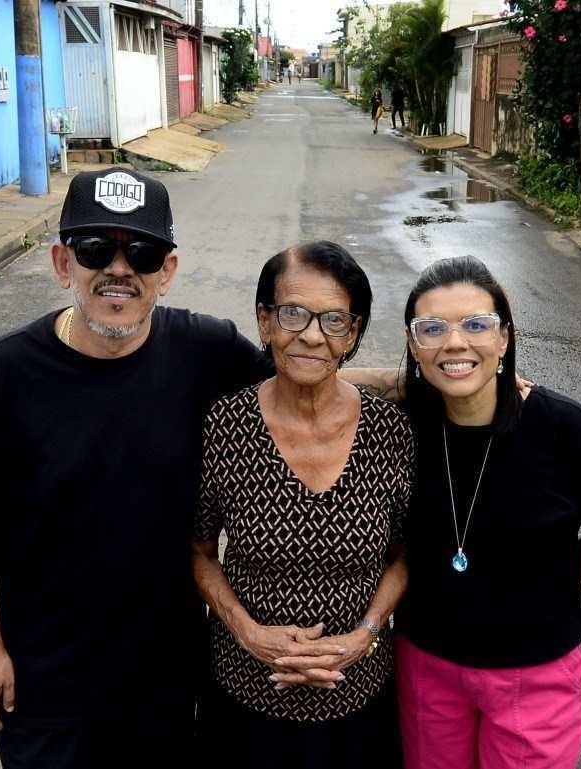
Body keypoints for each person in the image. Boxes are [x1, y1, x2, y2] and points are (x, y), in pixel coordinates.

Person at [0, 168, 397, 768]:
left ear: (167, 271)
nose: (120, 270)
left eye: (143, 253)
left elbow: (306, 370)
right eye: (96, 249)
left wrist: (440, 381)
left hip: (167, 679)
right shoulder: (4, 375)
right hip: (47, 682)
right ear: (62, 262)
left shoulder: (202, 351)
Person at [392, 256, 581, 769]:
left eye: (476, 325)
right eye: (433, 329)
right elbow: (312, 378)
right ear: (413, 343)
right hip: (428, 661)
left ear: (504, 339)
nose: (455, 343)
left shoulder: (564, 427)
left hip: (534, 668)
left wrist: (550, 579)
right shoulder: (405, 421)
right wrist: (400, 376)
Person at [192, 242, 414, 769]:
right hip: (245, 694)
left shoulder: (391, 432)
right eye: (293, 313)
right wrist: (249, 633)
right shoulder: (226, 426)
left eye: (334, 320)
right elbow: (199, 551)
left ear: (353, 335)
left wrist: (364, 635)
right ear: (265, 322)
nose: (312, 335)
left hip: (359, 695)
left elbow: (406, 557)